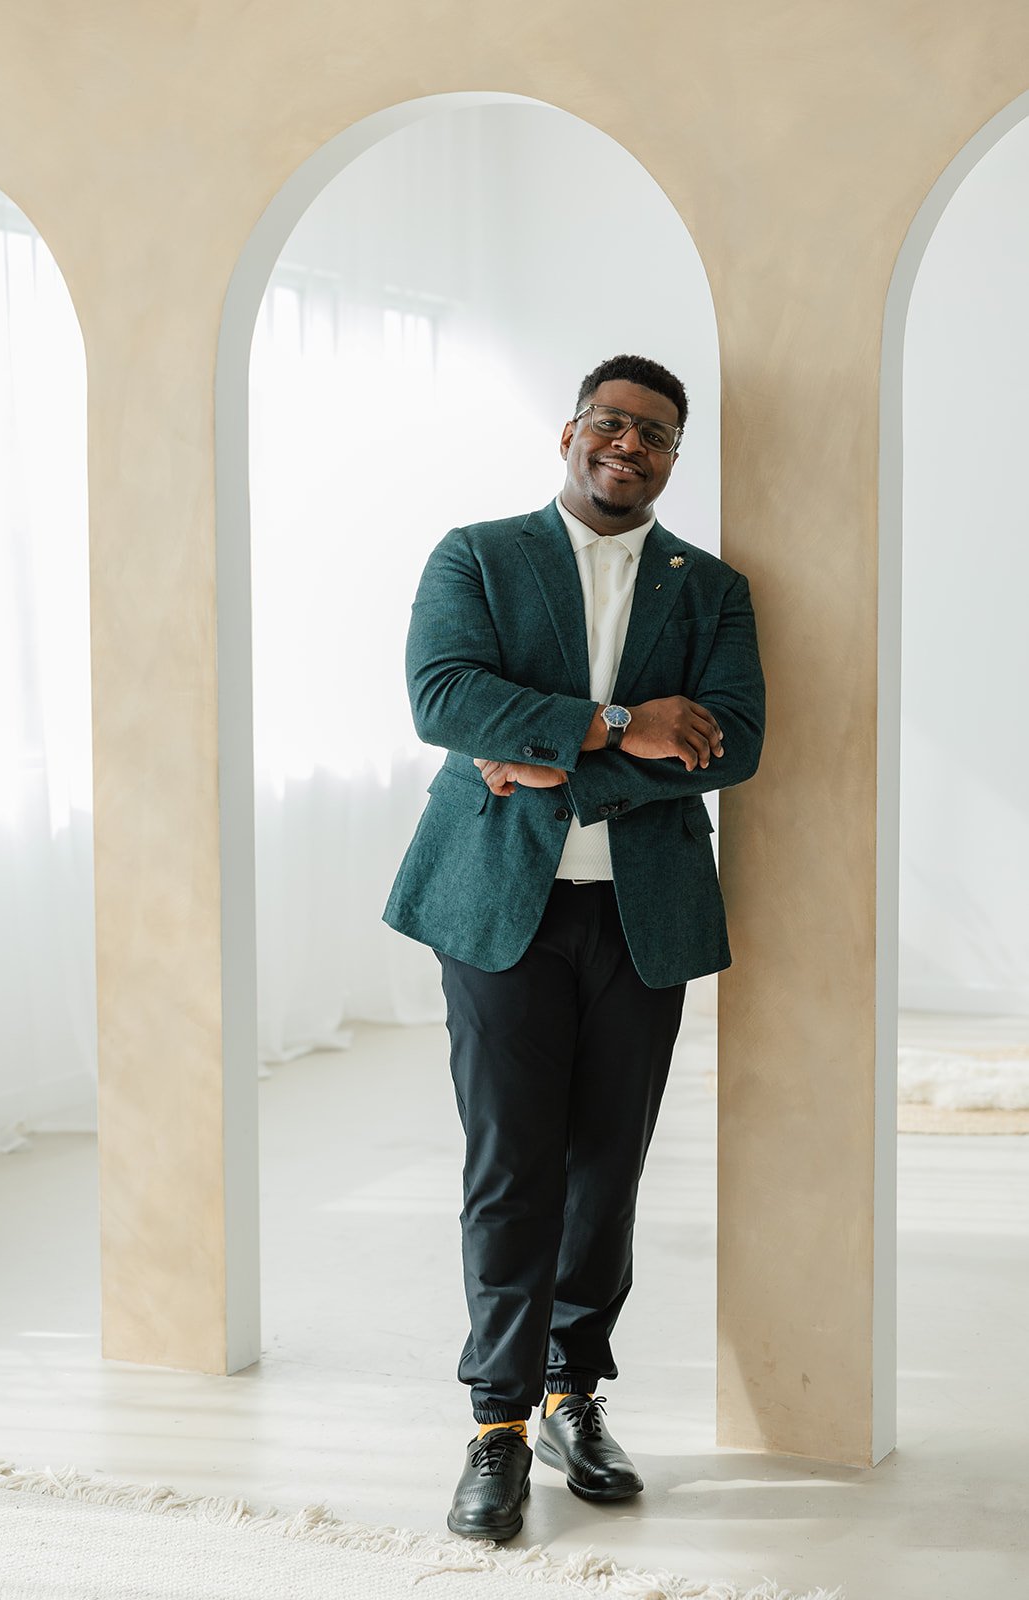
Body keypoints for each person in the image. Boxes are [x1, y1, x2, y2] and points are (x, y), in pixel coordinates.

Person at [383, 353, 765, 1542]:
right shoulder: (477, 554)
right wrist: (620, 727)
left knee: (605, 1171)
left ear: (668, 458)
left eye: (654, 435)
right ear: (569, 431)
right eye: (611, 423)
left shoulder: (708, 589)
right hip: (499, 910)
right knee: (512, 1167)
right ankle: (495, 1420)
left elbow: (732, 743)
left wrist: (548, 754)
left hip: (638, 917)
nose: (628, 446)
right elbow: (443, 697)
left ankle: (570, 1394)